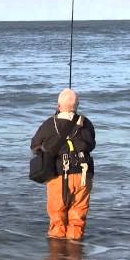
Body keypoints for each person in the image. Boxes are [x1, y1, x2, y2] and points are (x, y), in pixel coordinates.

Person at [30, 89, 95, 240]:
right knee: (77, 219)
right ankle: (75, 256)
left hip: (58, 176)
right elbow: (91, 144)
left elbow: (34, 146)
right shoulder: (86, 123)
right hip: (83, 176)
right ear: (77, 105)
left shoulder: (50, 123)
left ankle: (57, 258)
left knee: (57, 219)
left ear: (58, 105)